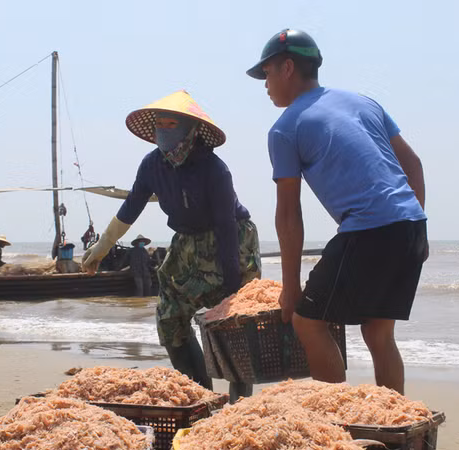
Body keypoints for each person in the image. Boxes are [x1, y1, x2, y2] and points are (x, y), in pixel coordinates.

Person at [247, 29, 428, 394]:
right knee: (378, 331)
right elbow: (414, 164)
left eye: (265, 74)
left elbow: (288, 215)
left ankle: (337, 421)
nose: (264, 85)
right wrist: (415, 224)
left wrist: (291, 288)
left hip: (367, 229)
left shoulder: (285, 128)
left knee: (308, 322)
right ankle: (392, 423)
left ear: (286, 68)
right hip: (410, 224)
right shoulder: (363, 103)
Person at [82, 90, 261, 399]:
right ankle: (199, 394)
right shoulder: (152, 165)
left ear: (190, 130)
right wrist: (102, 246)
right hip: (185, 241)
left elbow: (225, 226)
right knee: (169, 318)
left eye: (171, 124)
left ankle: (239, 401)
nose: (163, 130)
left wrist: (233, 289)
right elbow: (132, 206)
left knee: (235, 323)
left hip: (230, 239)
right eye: (159, 124)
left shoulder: (214, 169)